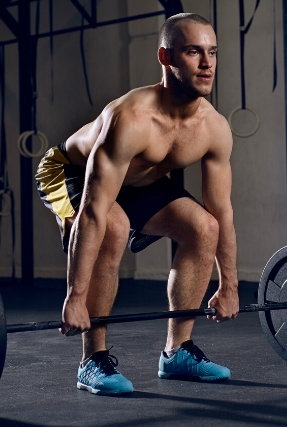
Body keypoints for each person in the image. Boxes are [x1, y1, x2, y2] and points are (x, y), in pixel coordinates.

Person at [35, 12, 239, 395]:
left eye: (212, 52)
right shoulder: (131, 118)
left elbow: (222, 210)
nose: (208, 63)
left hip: (138, 180)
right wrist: (74, 299)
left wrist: (229, 284)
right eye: (194, 52)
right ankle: (91, 362)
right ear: (166, 58)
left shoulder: (213, 128)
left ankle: (176, 352)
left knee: (203, 227)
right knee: (111, 226)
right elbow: (95, 212)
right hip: (69, 172)